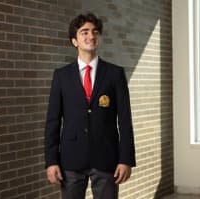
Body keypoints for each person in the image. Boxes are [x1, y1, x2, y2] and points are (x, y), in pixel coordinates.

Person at [44, 12, 136, 199]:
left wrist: (126, 159)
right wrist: (51, 161)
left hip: (106, 158)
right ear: (74, 41)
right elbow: (53, 121)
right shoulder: (61, 76)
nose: (91, 36)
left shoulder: (114, 74)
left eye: (95, 32)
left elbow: (125, 120)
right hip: (70, 160)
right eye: (84, 32)